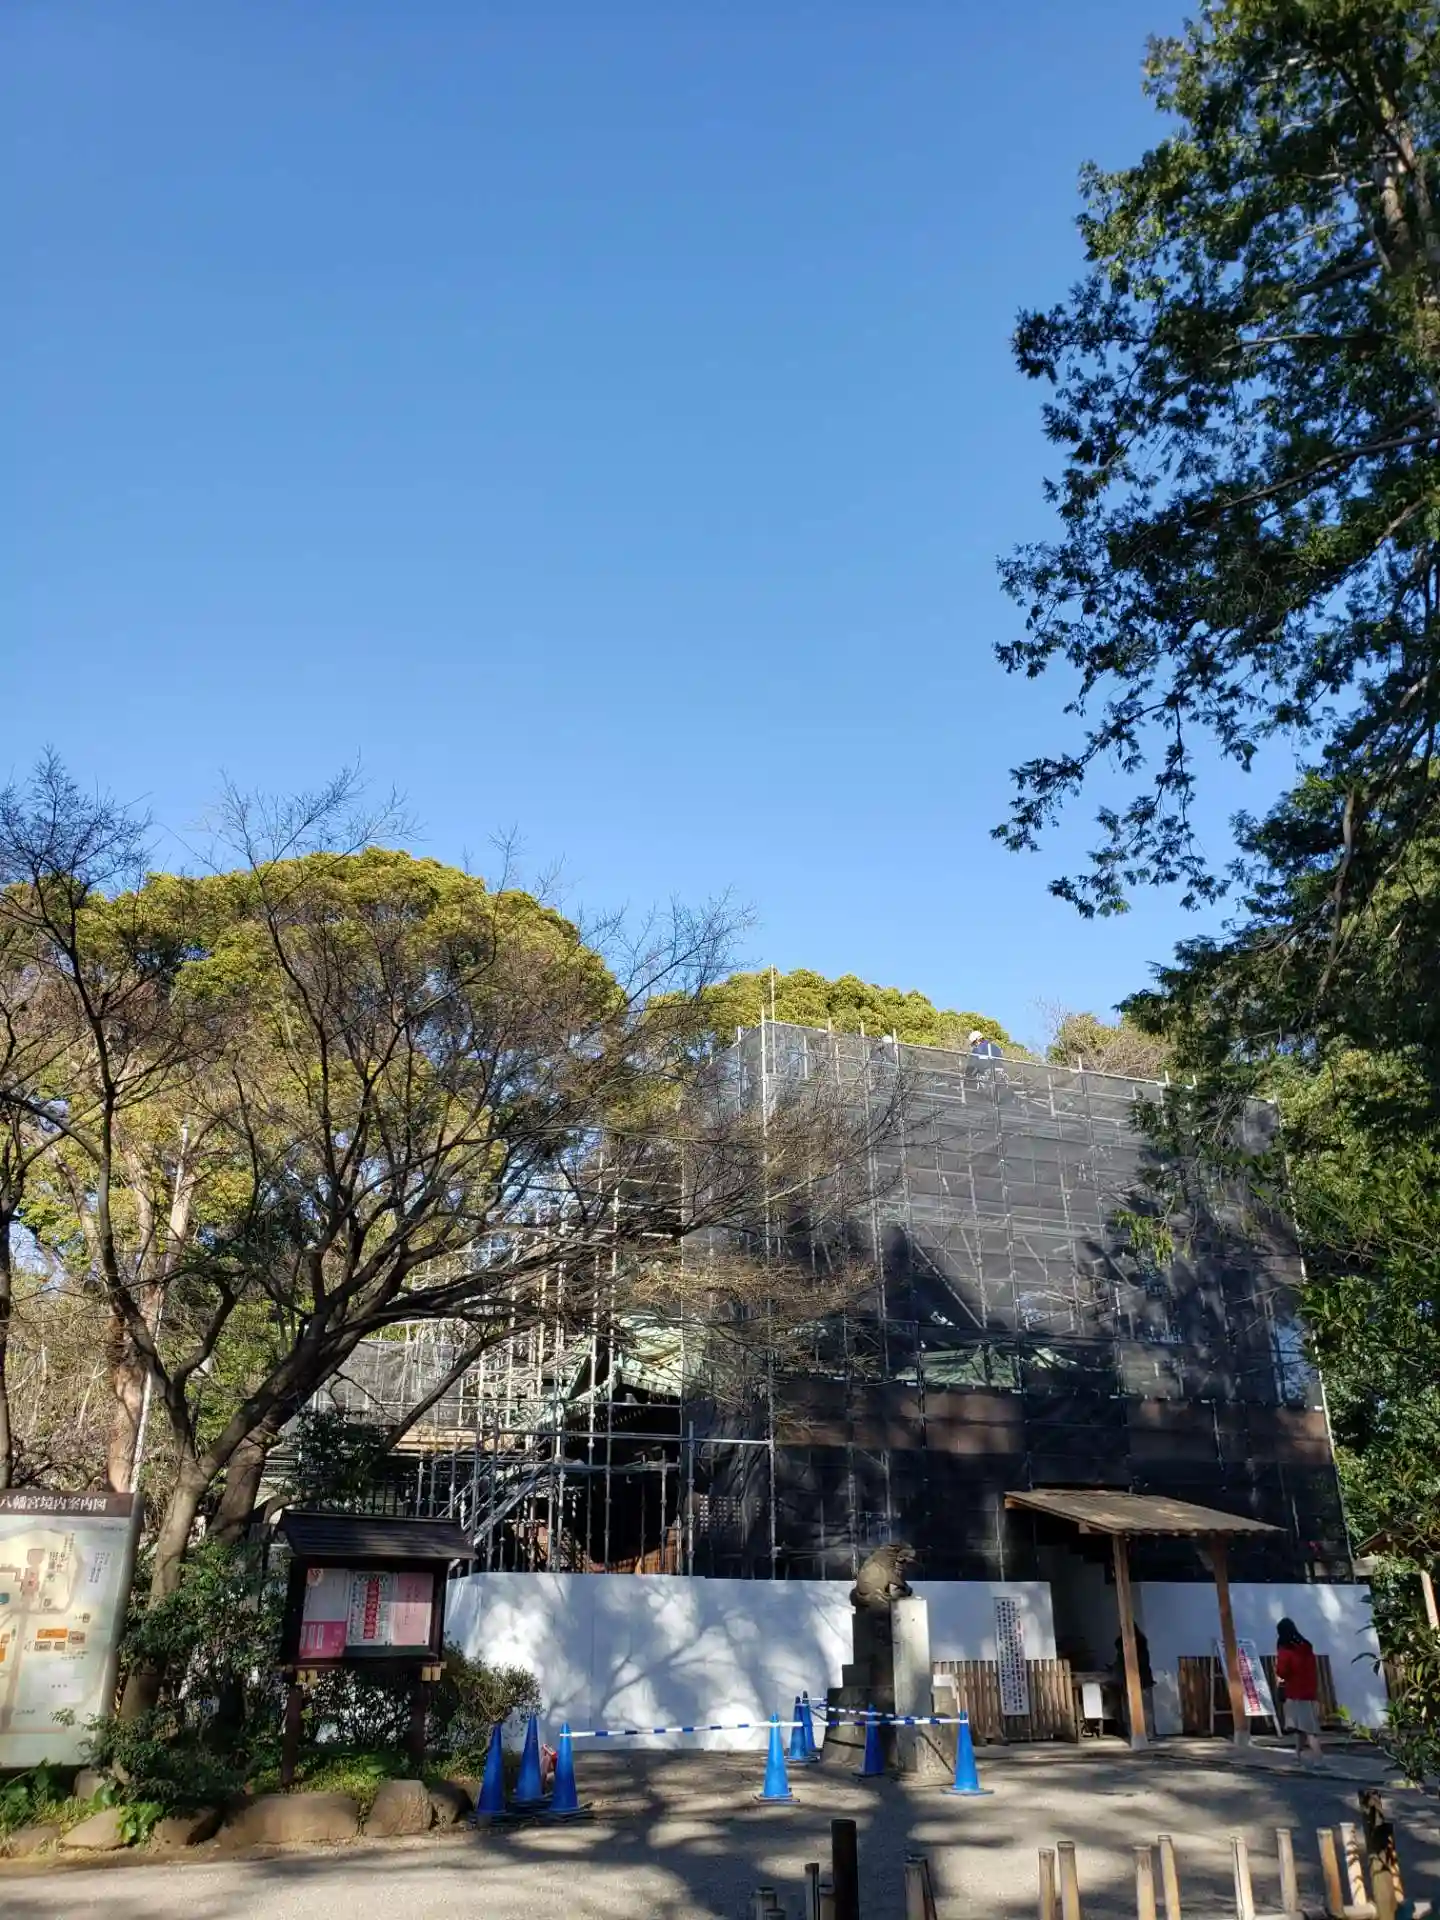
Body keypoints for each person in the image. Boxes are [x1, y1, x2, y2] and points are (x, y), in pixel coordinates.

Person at [1275, 1618, 1323, 1758]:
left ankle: (1319, 1758)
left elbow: (1282, 1671)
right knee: (1300, 1728)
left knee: (1308, 1730)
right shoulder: (1306, 1647)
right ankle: (1297, 1755)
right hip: (1310, 1692)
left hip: (1295, 1693)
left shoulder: (1286, 1650)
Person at [1113, 1628, 1156, 1738]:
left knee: (1136, 1709)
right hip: (1139, 1680)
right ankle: (1145, 1733)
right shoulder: (1140, 1644)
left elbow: (1137, 1663)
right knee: (1143, 1709)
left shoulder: (1135, 1646)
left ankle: (1138, 1733)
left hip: (1136, 1680)